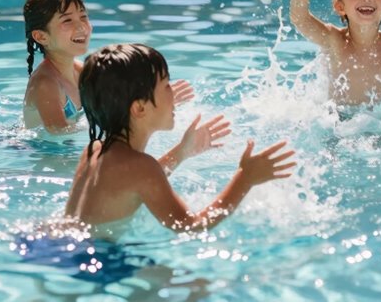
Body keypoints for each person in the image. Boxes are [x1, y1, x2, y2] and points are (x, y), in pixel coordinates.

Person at [64, 43, 296, 234]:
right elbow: (190, 226)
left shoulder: (95, 149)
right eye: (166, 86)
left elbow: (137, 181)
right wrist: (245, 179)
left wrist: (182, 152)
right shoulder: (140, 166)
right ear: (139, 109)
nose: (173, 93)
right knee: (194, 287)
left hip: (57, 241)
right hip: (91, 257)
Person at [22, 0, 194, 134]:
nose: (81, 26)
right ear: (41, 36)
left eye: (83, 17)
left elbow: (120, 102)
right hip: (39, 154)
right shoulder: (46, 83)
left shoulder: (83, 72)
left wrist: (155, 102)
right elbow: (58, 131)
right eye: (67, 20)